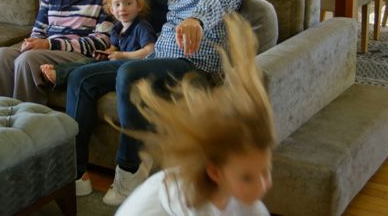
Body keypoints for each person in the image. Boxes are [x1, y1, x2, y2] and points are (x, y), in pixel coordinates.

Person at [66, 0, 245, 205]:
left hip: (195, 68)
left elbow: (217, 0)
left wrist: (195, 21)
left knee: (130, 74)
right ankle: (76, 175)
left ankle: (130, 172)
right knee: (80, 77)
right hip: (159, 60)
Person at [116, 13, 275, 216]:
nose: (264, 185)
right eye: (247, 177)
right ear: (215, 173)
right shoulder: (189, 202)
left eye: (266, 171)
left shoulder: (243, 197)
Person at [40, 0, 157, 86]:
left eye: (128, 3)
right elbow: (114, 48)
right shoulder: (117, 28)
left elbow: (150, 51)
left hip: (133, 68)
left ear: (139, 6)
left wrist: (123, 55)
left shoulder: (142, 27)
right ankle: (59, 69)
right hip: (119, 64)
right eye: (117, 4)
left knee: (89, 68)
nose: (122, 8)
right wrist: (106, 53)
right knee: (89, 61)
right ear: (111, 10)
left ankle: (60, 75)